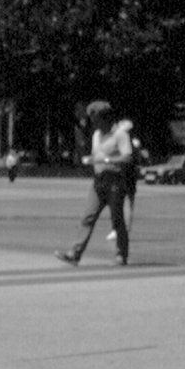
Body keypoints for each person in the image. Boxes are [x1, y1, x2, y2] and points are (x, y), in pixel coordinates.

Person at [56, 100, 131, 267]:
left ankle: (121, 255)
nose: (92, 121)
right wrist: (90, 160)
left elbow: (127, 157)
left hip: (115, 181)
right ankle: (75, 254)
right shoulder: (96, 135)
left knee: (116, 219)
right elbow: (95, 154)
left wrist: (106, 159)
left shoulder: (120, 134)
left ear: (104, 118)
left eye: (94, 118)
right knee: (87, 217)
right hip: (98, 182)